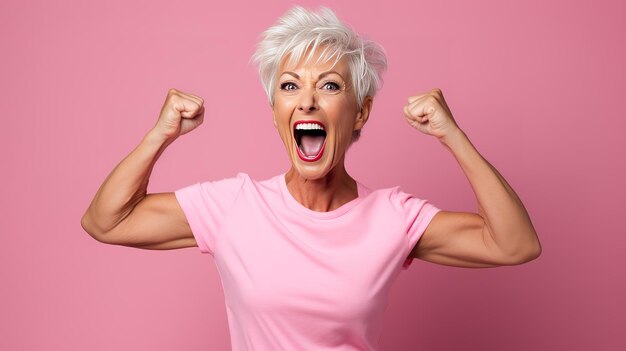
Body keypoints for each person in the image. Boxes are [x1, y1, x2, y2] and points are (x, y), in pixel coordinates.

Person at [81, 6, 541, 350]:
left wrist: (452, 136)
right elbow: (108, 221)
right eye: (289, 86)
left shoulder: (392, 217)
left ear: (360, 112)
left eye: (329, 85)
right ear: (275, 112)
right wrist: (160, 135)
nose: (306, 101)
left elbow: (514, 243)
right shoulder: (234, 207)